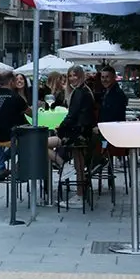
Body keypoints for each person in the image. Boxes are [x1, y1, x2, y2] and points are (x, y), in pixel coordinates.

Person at [47, 65, 96, 205]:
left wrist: (60, 128)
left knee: (41, 143)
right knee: (79, 163)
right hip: (81, 133)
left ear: (81, 76)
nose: (72, 78)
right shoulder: (85, 91)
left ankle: (63, 165)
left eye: (75, 75)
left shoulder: (79, 92)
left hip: (76, 134)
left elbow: (72, 115)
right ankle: (79, 193)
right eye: (70, 76)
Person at [0, 70, 31, 181]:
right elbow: (30, 113)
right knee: (30, 141)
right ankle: (18, 169)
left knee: (12, 138)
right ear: (11, 81)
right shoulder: (15, 97)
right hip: (12, 137)